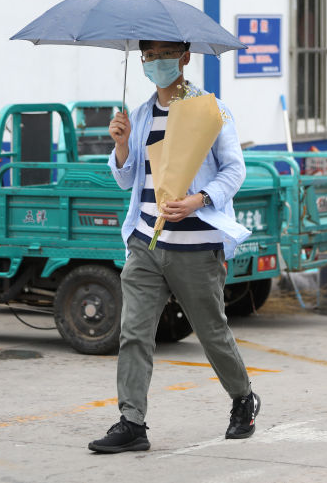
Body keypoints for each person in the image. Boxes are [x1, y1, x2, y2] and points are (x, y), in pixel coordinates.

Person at [88, 40, 260, 454]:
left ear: (185, 57)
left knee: (211, 332)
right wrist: (122, 145)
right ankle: (132, 422)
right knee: (134, 334)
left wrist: (199, 199)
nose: (157, 62)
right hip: (147, 242)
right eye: (150, 55)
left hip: (196, 247)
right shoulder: (142, 113)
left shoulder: (209, 110)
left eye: (167, 53)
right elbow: (129, 180)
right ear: (142, 60)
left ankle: (243, 399)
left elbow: (235, 170)